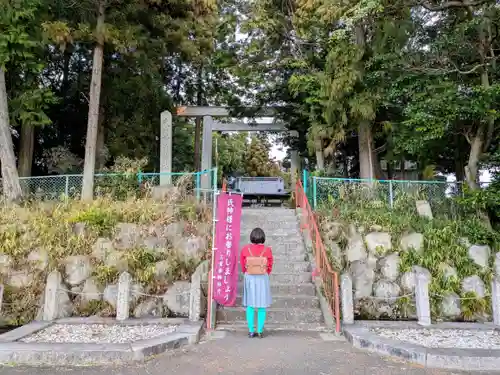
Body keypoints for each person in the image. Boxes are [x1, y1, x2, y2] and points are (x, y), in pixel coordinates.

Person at [240, 227, 273, 338]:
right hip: (262, 278)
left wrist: (248, 272)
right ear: (263, 237)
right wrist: (265, 272)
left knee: (250, 304)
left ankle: (250, 330)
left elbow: (242, 264)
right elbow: (270, 265)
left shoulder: (245, 249)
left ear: (251, 237)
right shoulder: (267, 250)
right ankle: (259, 330)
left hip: (249, 277)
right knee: (261, 305)